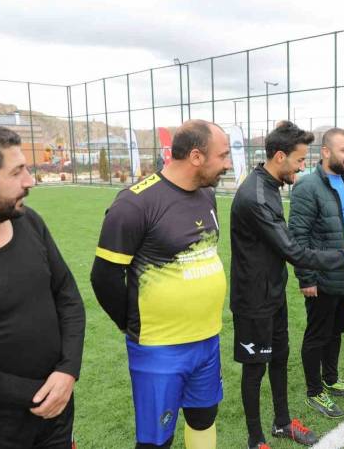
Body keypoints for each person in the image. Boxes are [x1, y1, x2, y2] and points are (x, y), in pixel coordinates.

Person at [91, 119, 232, 449]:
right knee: (156, 440)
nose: (228, 164)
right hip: (159, 348)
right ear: (196, 157)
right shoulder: (134, 203)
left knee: (204, 417)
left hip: (207, 340)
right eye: (223, 155)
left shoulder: (207, 196)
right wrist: (131, 323)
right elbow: (104, 277)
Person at [230, 121, 344, 449]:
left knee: (279, 358)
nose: (302, 166)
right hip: (253, 301)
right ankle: (255, 440)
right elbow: (293, 250)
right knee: (255, 368)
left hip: (273, 293)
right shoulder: (257, 196)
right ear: (280, 157)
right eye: (299, 160)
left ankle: (281, 422)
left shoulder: (271, 186)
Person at [0, 119, 85, 448]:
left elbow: (67, 296)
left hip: (55, 416)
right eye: (16, 172)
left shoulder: (28, 222)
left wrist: (67, 372)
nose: (30, 181)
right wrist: (37, 394)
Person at [289, 127, 344, 418]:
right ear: (325, 152)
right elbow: (298, 238)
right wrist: (306, 278)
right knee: (317, 334)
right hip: (320, 278)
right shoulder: (307, 187)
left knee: (337, 331)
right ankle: (314, 391)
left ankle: (331, 380)